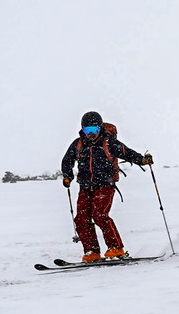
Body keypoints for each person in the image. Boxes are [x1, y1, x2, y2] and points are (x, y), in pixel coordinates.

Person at [61, 111, 153, 262]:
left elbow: (127, 153)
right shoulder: (78, 144)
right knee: (81, 219)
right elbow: (67, 161)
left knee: (100, 215)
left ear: (100, 128)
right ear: (82, 130)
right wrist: (67, 176)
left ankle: (116, 248)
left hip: (105, 185)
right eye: (87, 131)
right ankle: (92, 252)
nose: (90, 134)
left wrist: (142, 160)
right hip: (85, 187)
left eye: (94, 130)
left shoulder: (109, 143)